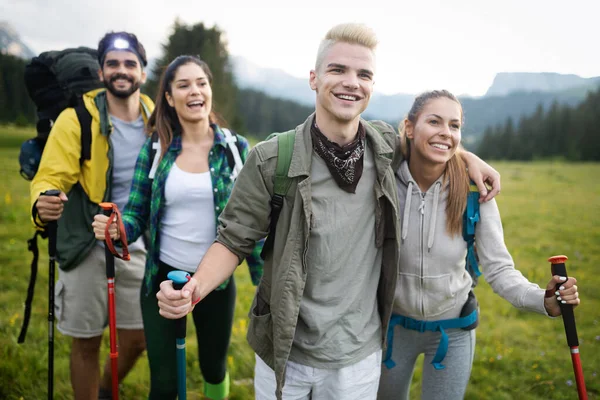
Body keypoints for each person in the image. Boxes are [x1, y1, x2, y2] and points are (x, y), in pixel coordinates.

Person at [155, 24, 500, 400]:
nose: (351, 82)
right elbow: (233, 240)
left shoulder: (383, 145)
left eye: (363, 74)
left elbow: (432, 139)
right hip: (284, 353)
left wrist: (468, 157)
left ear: (371, 86)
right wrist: (194, 289)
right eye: (338, 70)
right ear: (314, 78)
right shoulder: (272, 159)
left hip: (359, 356)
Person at [377, 90, 581, 400]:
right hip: (391, 331)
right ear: (409, 127)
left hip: (454, 331)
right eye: (434, 121)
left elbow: (499, 269)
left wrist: (544, 300)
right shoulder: (383, 181)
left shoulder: (475, 193)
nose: (446, 132)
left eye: (454, 125)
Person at [92, 55, 264, 400]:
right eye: (183, 85)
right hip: (162, 279)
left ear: (210, 90)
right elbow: (136, 214)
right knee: (165, 382)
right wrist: (117, 228)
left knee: (214, 368)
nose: (195, 91)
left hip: (215, 282)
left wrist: (266, 279)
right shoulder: (156, 148)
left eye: (201, 83)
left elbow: (254, 222)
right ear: (169, 98)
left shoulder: (235, 149)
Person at [30, 31, 154, 399]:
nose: (121, 70)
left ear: (142, 73)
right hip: (86, 239)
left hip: (133, 239)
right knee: (87, 341)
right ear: (101, 72)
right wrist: (44, 200)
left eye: (130, 63)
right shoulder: (77, 119)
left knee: (140, 337)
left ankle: (104, 389)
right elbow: (51, 176)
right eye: (113, 64)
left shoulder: (157, 116)